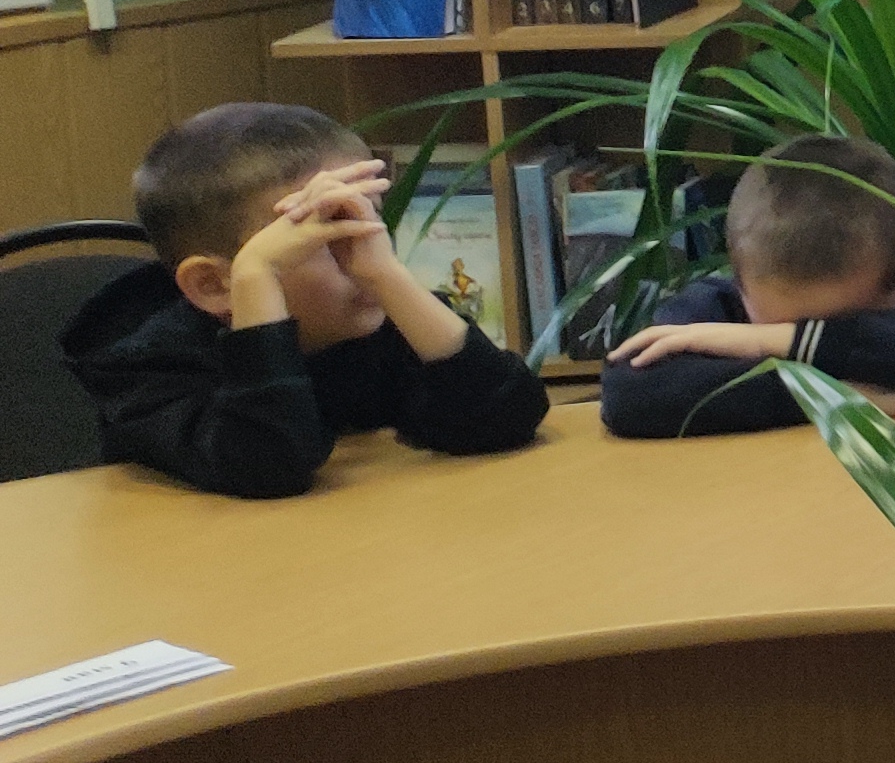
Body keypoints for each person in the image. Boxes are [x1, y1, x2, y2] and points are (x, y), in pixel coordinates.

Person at [59, 103, 549, 498]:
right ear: (212, 285)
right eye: (326, 240)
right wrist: (257, 277)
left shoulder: (375, 311)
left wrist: (389, 277)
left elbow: (506, 418)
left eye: (366, 222)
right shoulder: (146, 366)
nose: (364, 257)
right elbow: (269, 467)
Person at [597, 134, 895, 438]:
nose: (800, 337)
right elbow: (630, 395)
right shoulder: (716, 303)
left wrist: (773, 341)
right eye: (783, 326)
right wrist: (857, 398)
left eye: (852, 324)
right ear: (737, 277)